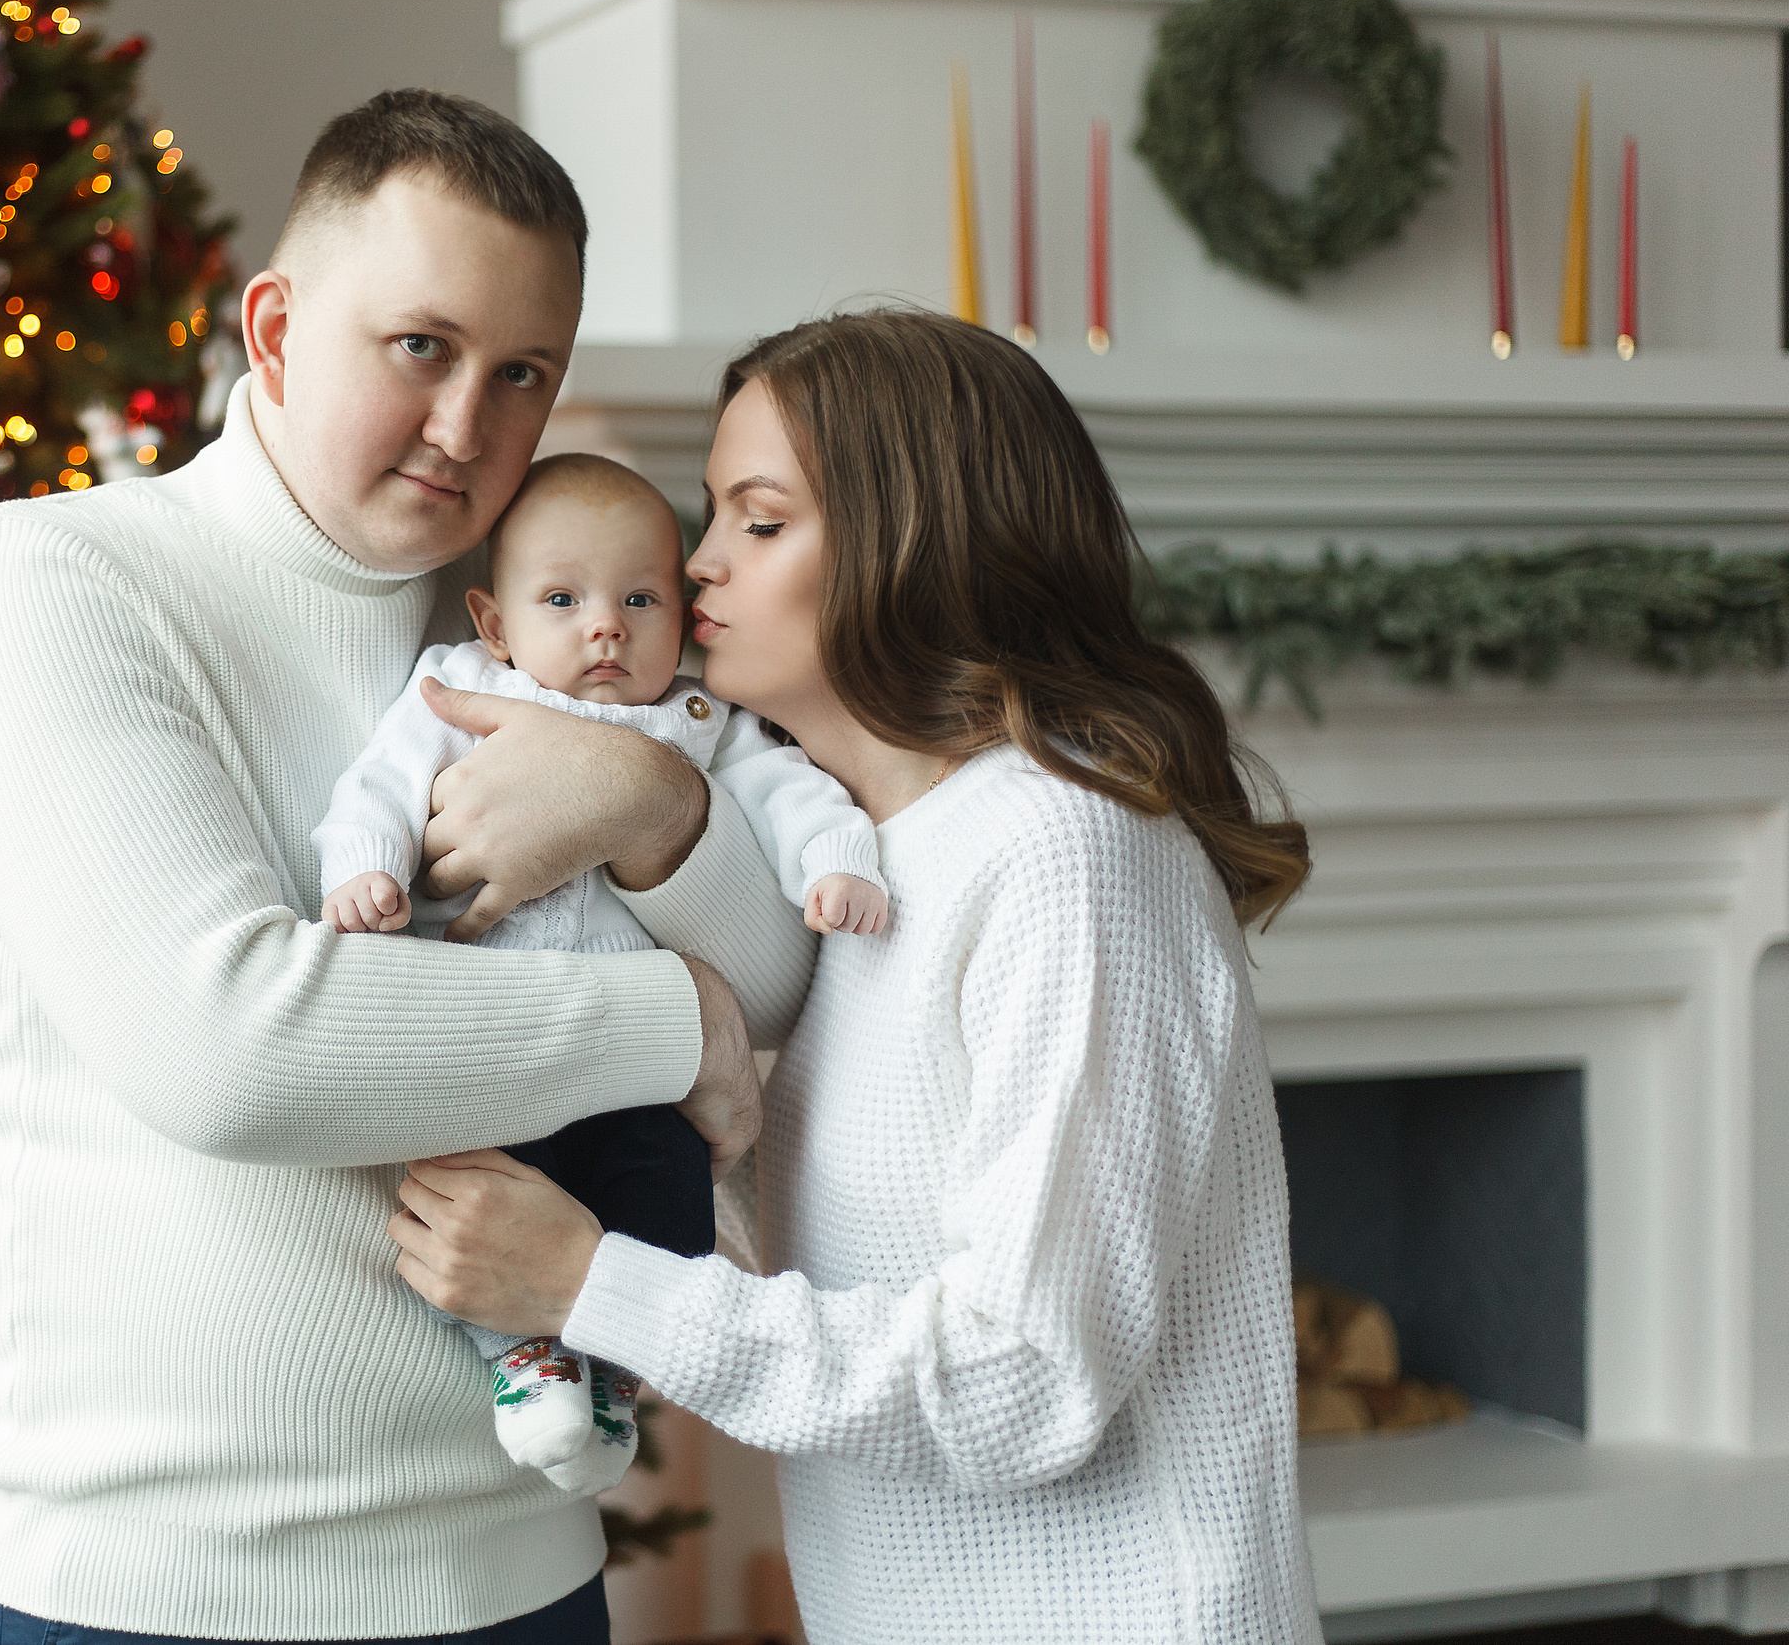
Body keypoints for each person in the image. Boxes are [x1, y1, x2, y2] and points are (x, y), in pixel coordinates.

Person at [0, 91, 811, 1644]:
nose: (469, 425)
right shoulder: (47, 587)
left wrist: (638, 792)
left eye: (523, 372)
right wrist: (678, 1026)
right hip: (141, 1601)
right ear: (272, 329)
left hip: (522, 1585)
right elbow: (231, 1042)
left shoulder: (533, 625)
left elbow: (785, 966)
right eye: (421, 348)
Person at [390, 309, 1324, 1643]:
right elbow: (865, 1278)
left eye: (758, 522)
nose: (694, 562)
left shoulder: (1071, 852)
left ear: (917, 550)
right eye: (711, 511)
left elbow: (1026, 1376)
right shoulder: (863, 859)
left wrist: (593, 1282)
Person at [314, 453, 883, 1497]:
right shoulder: (459, 690)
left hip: (637, 1077)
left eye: (639, 599)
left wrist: (836, 860)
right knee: (467, 1193)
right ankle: (522, 1362)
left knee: (663, 1195)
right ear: (494, 623)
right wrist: (365, 866)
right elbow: (379, 786)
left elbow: (791, 790)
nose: (606, 628)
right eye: (563, 600)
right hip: (488, 1046)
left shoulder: (701, 723)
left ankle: (613, 1371)